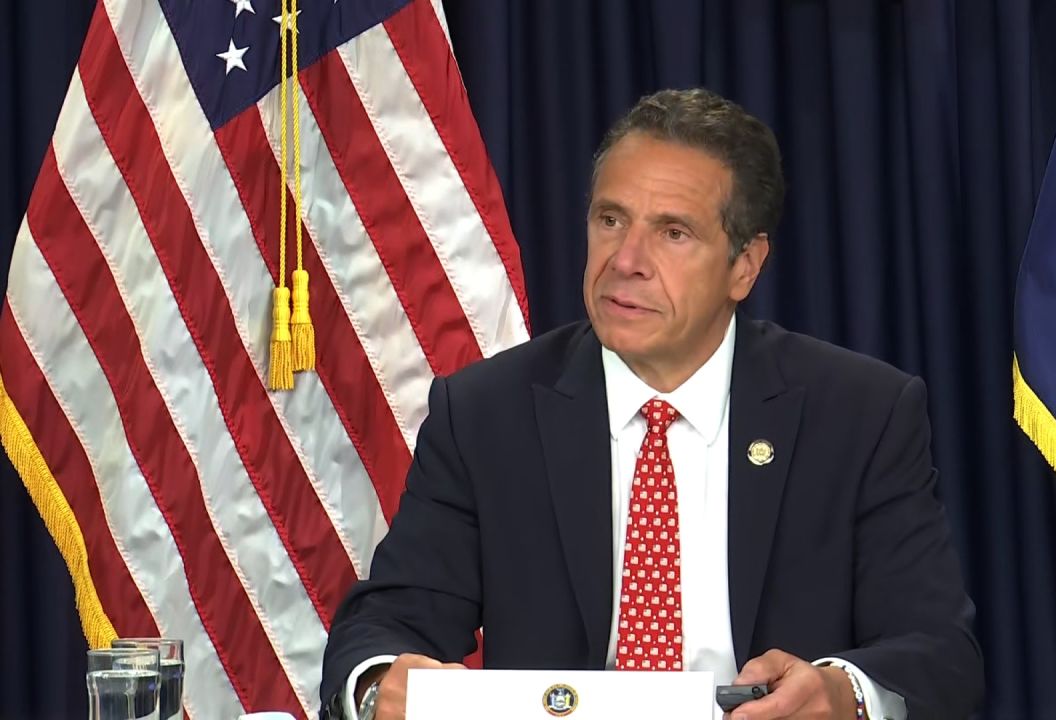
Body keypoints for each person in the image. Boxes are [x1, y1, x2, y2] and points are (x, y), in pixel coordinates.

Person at [320, 88, 982, 720]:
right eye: (611, 220)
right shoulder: (487, 415)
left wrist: (841, 696)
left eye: (673, 234)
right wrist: (379, 686)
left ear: (744, 266)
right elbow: (387, 623)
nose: (626, 260)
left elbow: (941, 658)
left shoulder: (859, 416)